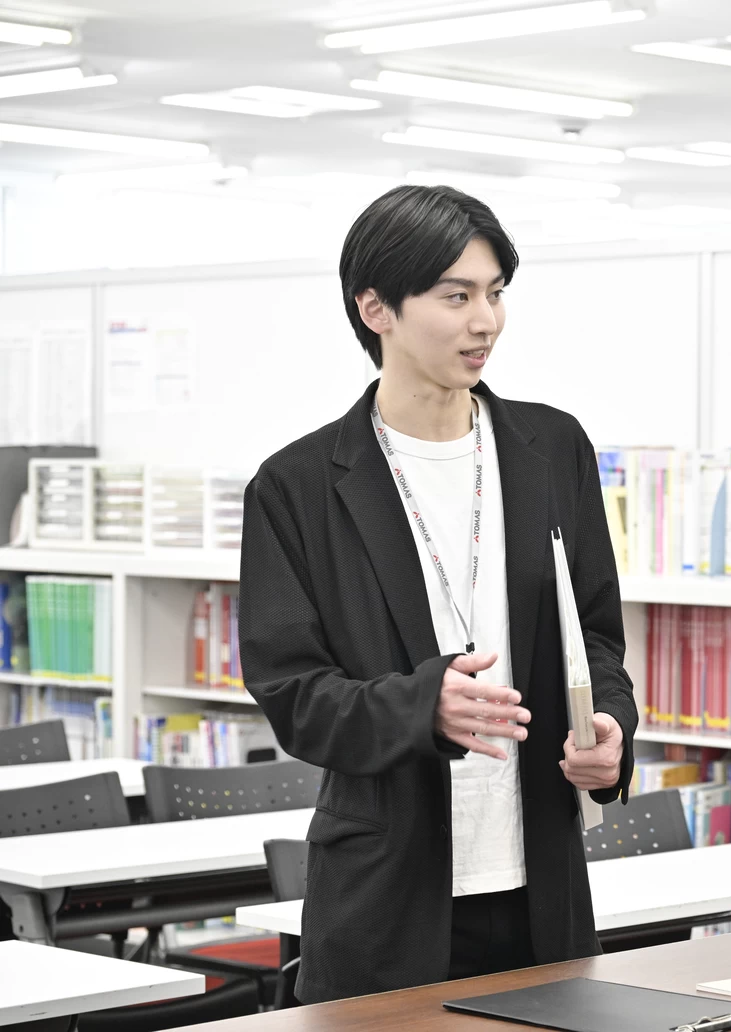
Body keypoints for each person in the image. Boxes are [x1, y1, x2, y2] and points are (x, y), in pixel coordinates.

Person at [240, 185, 637, 1003]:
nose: (485, 321)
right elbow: (292, 694)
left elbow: (596, 635)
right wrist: (424, 707)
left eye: (496, 293)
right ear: (376, 308)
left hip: (542, 893)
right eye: (456, 297)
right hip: (385, 903)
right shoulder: (295, 487)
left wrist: (610, 727)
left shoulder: (553, 447)